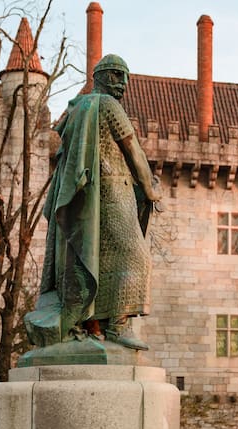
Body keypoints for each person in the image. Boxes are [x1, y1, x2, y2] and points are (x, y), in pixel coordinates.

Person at [24, 54, 161, 351]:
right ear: (100, 77)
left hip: (87, 200)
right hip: (113, 194)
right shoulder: (109, 106)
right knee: (136, 258)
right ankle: (117, 325)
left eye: (125, 76)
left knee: (92, 260)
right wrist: (151, 189)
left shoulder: (76, 108)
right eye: (116, 75)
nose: (123, 83)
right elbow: (132, 148)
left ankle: (91, 324)